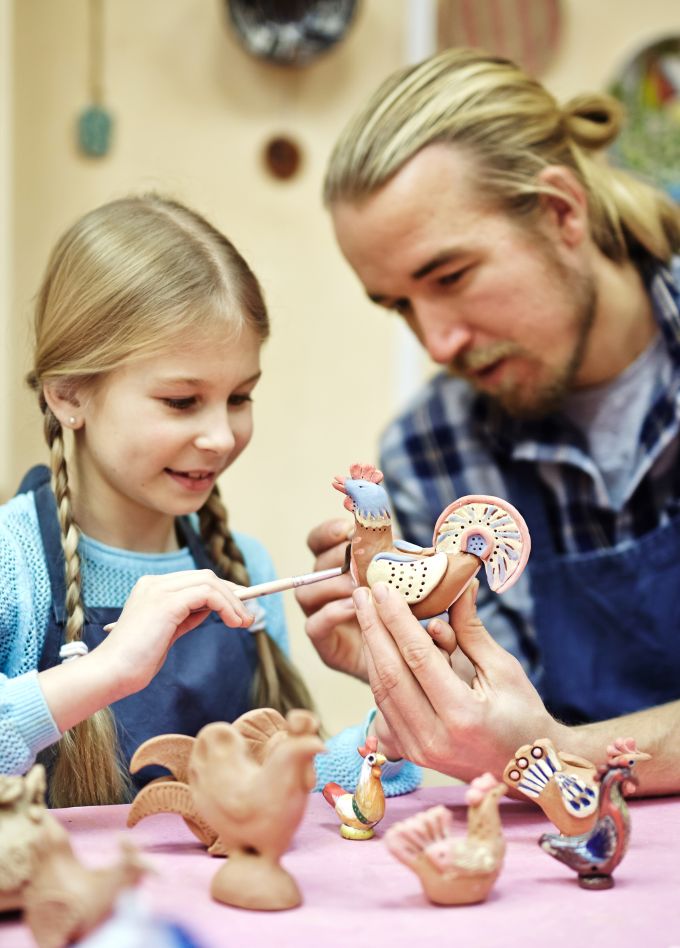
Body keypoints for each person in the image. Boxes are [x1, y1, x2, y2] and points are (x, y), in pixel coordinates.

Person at [296, 48, 680, 795]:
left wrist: (562, 752)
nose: (437, 343)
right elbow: (506, 710)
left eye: (450, 277)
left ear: (561, 211)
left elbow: (539, 747)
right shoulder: (430, 448)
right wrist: (424, 668)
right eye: (400, 304)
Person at [0, 195, 419, 806]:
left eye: (241, 396)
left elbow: (271, 785)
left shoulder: (245, 569)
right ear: (69, 394)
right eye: (181, 401)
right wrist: (106, 672)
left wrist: (396, 716)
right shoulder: (14, 567)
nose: (222, 436)